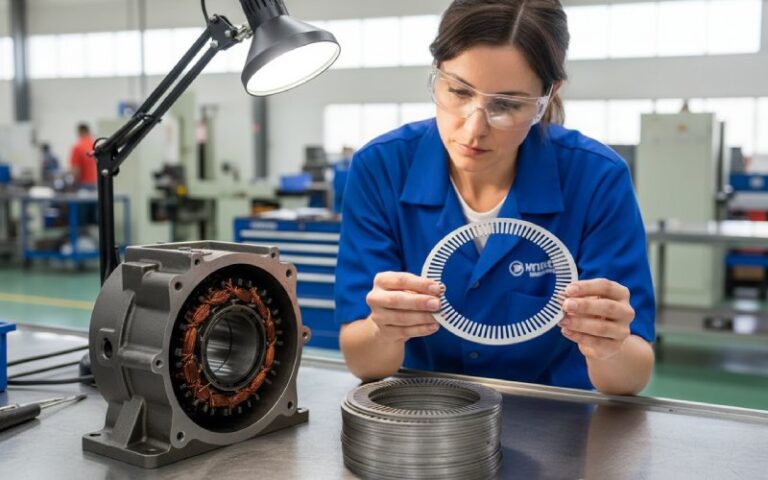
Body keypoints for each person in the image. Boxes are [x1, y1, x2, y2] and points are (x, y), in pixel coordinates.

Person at [334, 0, 655, 395]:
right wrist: (384, 329)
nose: (473, 129)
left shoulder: (596, 178)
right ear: (436, 75)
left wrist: (609, 346)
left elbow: (631, 379)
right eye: (458, 91)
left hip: (560, 421)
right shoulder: (380, 167)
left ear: (547, 97)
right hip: (426, 414)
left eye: (506, 105)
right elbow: (363, 363)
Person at [69, 123, 97, 189]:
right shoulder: (95, 146)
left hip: (83, 185)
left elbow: (76, 170)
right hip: (95, 184)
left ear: (80, 132)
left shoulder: (78, 147)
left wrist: (73, 185)